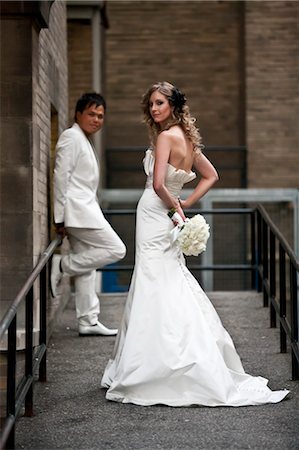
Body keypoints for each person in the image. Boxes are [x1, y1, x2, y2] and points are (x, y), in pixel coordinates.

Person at [101, 81, 289, 406]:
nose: (154, 109)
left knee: (152, 279)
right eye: (151, 104)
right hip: (168, 216)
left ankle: (148, 365)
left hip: (153, 214)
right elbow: (211, 175)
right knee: (168, 278)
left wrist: (177, 207)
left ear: (173, 105)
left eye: (160, 103)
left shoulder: (164, 137)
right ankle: (172, 355)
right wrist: (185, 205)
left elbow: (158, 184)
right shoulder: (188, 140)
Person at [51, 92, 126, 336]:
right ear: (78, 114)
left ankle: (88, 320)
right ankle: (62, 265)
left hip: (84, 210)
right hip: (77, 212)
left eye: (101, 116)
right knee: (116, 249)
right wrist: (59, 217)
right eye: (92, 114)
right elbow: (60, 177)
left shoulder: (84, 139)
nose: (96, 119)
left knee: (87, 266)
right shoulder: (71, 137)